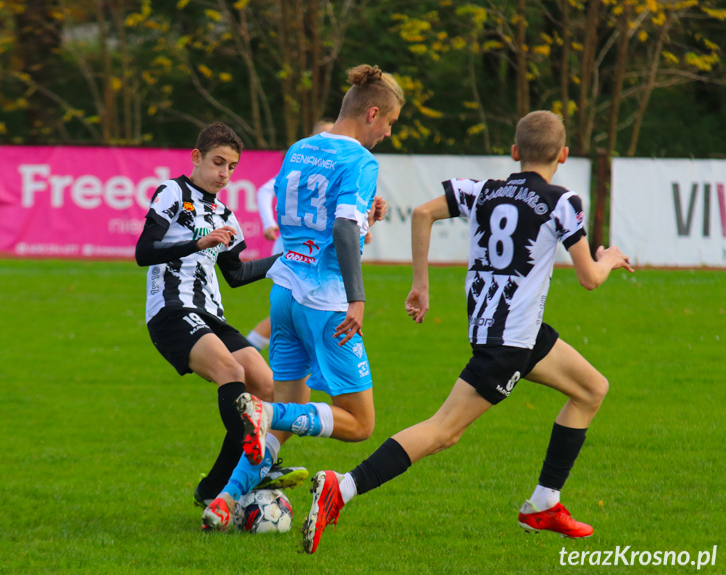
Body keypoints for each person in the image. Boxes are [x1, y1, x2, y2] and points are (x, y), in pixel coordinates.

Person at [298, 110, 636, 554]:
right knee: (443, 431)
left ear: (515, 152)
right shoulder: (562, 200)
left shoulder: (482, 190)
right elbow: (590, 278)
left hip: (514, 331)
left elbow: (422, 213)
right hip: (508, 343)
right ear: (565, 155)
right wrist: (608, 258)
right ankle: (342, 488)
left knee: (592, 388)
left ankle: (544, 502)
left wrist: (421, 283)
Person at [229, 65, 403, 487]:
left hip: (285, 294)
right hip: (325, 302)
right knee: (360, 424)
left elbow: (321, 226)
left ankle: (227, 500)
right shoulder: (361, 160)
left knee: (285, 422)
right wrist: (357, 299)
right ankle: (267, 410)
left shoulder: (300, 149)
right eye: (390, 124)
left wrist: (367, 218)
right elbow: (341, 230)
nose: (389, 134)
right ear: (373, 113)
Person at [134, 122, 304, 529]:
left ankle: (213, 487)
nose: (224, 173)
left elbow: (238, 274)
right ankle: (260, 463)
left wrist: (289, 258)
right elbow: (143, 252)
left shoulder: (226, 214)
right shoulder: (172, 193)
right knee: (233, 371)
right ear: (196, 157)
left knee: (264, 384)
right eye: (217, 162)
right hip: (172, 312)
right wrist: (198, 243)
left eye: (231, 166)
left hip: (212, 315)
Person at [245, 118, 336, 351]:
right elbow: (266, 190)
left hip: (313, 252)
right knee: (301, 311)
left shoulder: (335, 171)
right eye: (323, 136)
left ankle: (246, 353)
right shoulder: (304, 169)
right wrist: (268, 223)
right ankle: (245, 353)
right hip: (294, 249)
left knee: (296, 313)